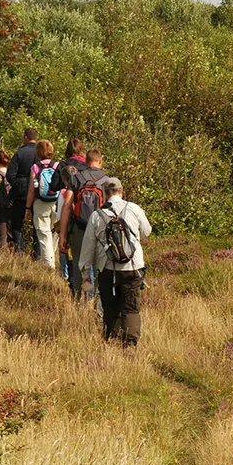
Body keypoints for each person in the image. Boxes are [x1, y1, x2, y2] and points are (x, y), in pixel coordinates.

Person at [80, 177, 152, 347]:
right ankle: (130, 344)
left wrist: (86, 273)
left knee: (110, 306)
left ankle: (111, 340)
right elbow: (147, 232)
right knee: (130, 307)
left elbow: (88, 248)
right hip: (133, 267)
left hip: (107, 268)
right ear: (122, 191)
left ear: (104, 194)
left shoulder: (96, 215)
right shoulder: (134, 208)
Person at [59, 147, 108, 304]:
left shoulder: (76, 178)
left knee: (79, 264)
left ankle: (79, 300)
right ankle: (98, 301)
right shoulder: (107, 181)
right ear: (100, 161)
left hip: (79, 229)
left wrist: (62, 234)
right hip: (100, 231)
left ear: (86, 162)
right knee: (100, 267)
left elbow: (67, 206)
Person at [24, 140, 60, 269]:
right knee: (54, 232)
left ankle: (49, 264)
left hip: (40, 203)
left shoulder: (35, 167)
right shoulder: (57, 165)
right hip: (56, 203)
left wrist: (28, 207)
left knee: (43, 233)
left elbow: (31, 190)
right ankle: (51, 258)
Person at [8, 128, 39, 254]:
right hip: (38, 194)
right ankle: (37, 253)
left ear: (26, 137)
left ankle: (20, 250)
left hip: (21, 193)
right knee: (38, 226)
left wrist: (19, 185)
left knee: (17, 223)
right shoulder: (41, 153)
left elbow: (10, 175)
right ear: (36, 138)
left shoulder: (20, 153)